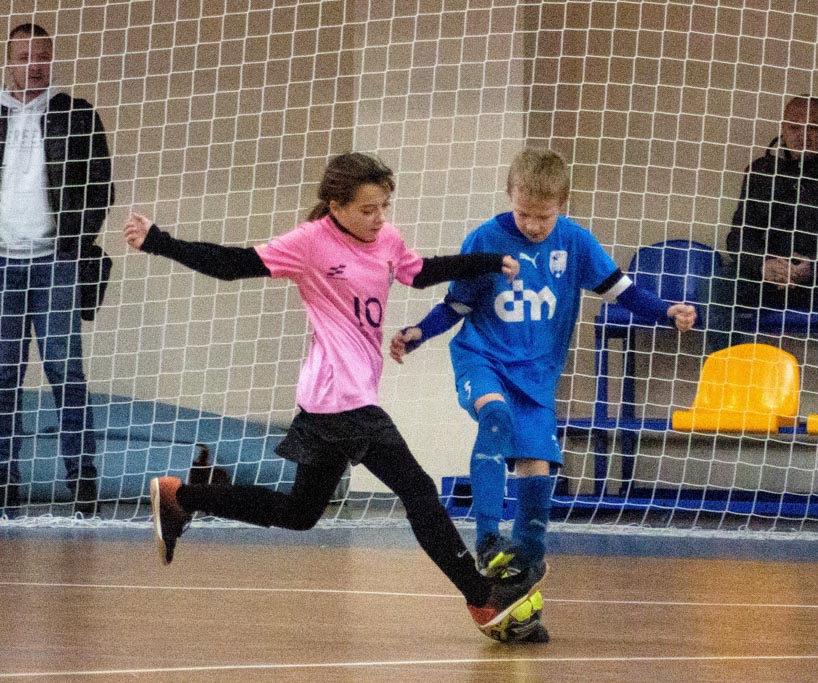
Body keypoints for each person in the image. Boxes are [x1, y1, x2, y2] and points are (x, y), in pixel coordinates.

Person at [127, 152, 545, 642]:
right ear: (336, 206)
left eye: (384, 206)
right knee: (417, 490)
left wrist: (488, 261)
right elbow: (232, 264)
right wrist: (159, 242)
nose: (379, 218)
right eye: (368, 209)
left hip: (331, 403)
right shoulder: (309, 243)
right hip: (339, 397)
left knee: (300, 513)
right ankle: (480, 596)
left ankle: (181, 497)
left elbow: (421, 272)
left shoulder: (386, 239)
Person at [390, 148, 696, 636]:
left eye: (543, 216)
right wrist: (419, 333)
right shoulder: (485, 239)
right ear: (509, 196)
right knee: (495, 416)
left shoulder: (575, 242)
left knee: (537, 467)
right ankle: (487, 541)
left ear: (562, 204)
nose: (533, 225)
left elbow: (621, 290)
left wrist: (665, 311)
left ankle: (524, 574)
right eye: (523, 214)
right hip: (483, 357)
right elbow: (457, 306)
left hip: (536, 375)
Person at [0, 23, 114, 517]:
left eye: (42, 56)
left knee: (66, 373)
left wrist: (72, 244)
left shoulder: (77, 114)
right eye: (24, 56)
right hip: (2, 264)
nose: (34, 65)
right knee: (3, 376)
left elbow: (101, 187)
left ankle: (82, 481)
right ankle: (5, 481)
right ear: (8, 61)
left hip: (56, 262)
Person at [708, 95, 818, 406]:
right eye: (794, 127)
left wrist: (813, 267)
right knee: (716, 285)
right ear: (783, 129)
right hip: (770, 281)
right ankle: (731, 388)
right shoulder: (762, 171)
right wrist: (763, 265)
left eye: (812, 128)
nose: (803, 135)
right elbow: (737, 237)